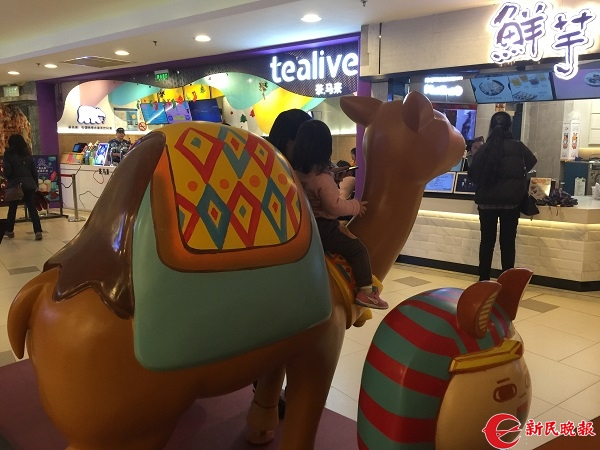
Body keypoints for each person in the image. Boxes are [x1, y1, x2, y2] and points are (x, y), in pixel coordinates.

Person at [291, 120, 388, 310]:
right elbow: (334, 206)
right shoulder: (322, 178)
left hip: (305, 224)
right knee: (358, 250)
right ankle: (366, 291)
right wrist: (355, 207)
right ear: (325, 148)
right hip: (324, 227)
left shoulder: (295, 172)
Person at [468, 112, 537, 281]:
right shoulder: (518, 147)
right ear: (509, 127)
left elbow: (473, 174)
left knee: (487, 242)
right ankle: (507, 282)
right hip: (511, 203)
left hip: (486, 204)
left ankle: (484, 280)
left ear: (491, 127)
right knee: (507, 243)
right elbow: (531, 163)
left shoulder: (484, 148)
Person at [2, 134, 43, 240]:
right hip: (29, 184)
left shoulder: (8, 155)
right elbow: (34, 171)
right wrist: (35, 184)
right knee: (32, 208)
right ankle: (38, 231)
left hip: (15, 184)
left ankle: (9, 231)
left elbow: (7, 172)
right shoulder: (27, 154)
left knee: (12, 208)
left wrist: (7, 177)